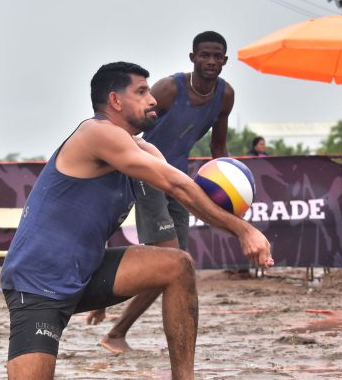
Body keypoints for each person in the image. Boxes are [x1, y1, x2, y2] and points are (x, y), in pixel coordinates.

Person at [0, 61, 273, 380]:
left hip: (85, 271)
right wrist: (243, 230)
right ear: (115, 101)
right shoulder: (96, 134)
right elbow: (176, 184)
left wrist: (108, 291)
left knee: (177, 265)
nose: (154, 100)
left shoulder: (143, 149)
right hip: (39, 281)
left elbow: (184, 189)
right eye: (142, 92)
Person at [86, 31, 235, 355]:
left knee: (176, 266)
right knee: (173, 261)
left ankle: (114, 328)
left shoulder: (225, 96)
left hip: (178, 178)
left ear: (225, 61)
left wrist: (226, 183)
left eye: (217, 56)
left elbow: (218, 147)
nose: (210, 61)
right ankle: (107, 311)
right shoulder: (169, 88)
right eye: (204, 55)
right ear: (192, 58)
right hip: (148, 174)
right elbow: (129, 123)